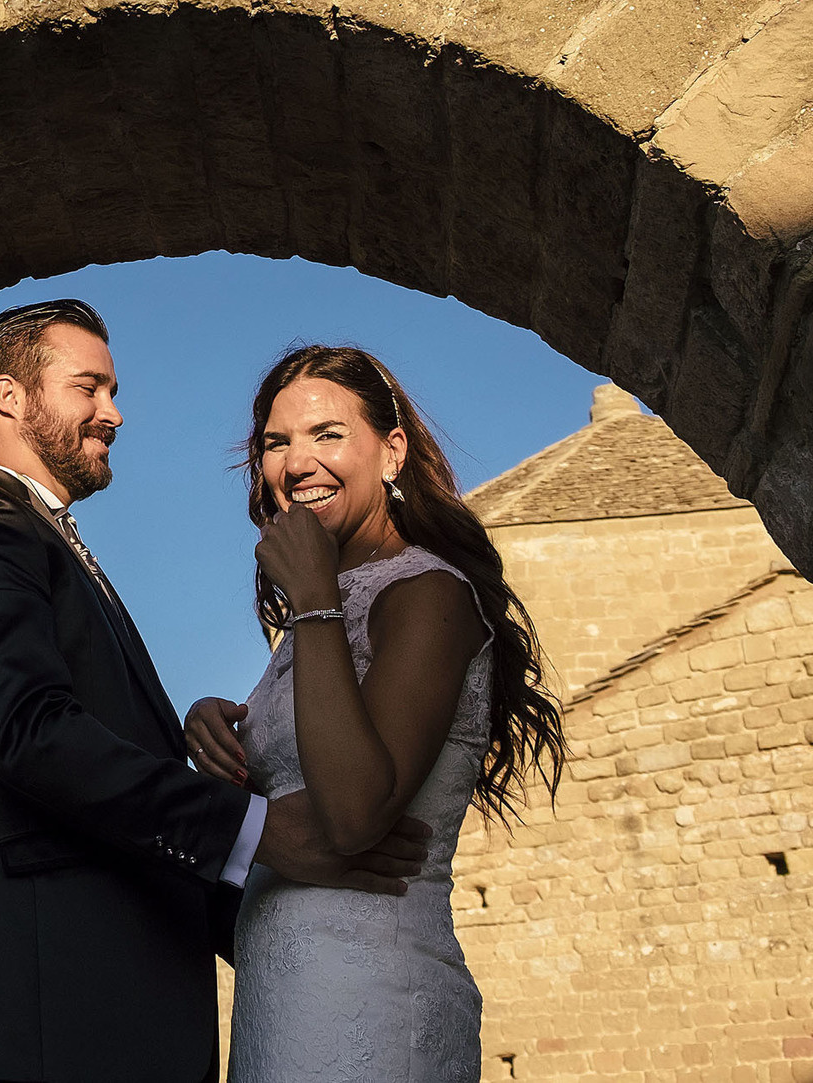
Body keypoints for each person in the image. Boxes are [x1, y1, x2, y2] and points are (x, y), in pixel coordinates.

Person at [0, 301, 432, 1083]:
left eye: (113, 391)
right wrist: (258, 831)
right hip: (48, 1024)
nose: (114, 412)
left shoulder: (51, 544)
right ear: (10, 397)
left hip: (119, 1019)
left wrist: (294, 929)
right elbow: (29, 733)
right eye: (90, 388)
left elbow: (104, 769)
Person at [181, 345, 566, 1083]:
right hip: (276, 999)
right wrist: (221, 735)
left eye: (328, 434)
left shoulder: (428, 594)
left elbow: (355, 814)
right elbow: (290, 808)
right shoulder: (315, 612)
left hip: (375, 1001)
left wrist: (316, 597)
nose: (297, 463)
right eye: (276, 442)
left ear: (392, 452)